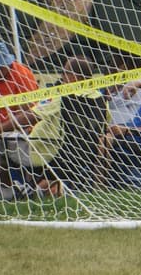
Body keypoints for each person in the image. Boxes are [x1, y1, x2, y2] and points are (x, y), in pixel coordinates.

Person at [34, 55, 108, 196]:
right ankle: (56, 188)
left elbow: (31, 116)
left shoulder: (62, 95)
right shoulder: (101, 99)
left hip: (57, 152)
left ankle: (24, 190)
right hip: (87, 153)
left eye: (64, 73)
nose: (62, 77)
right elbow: (104, 125)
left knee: (10, 146)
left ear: (74, 77)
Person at [0, 41, 40, 198]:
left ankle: (30, 188)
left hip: (24, 131)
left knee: (4, 144)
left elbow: (30, 114)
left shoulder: (22, 75)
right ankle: (5, 193)